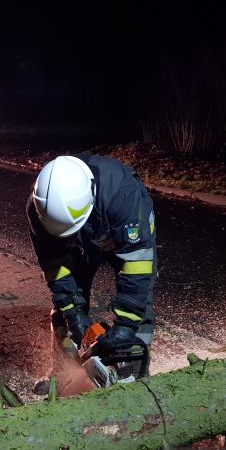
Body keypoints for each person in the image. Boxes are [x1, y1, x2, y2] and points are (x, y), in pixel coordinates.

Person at [27, 155, 157, 378]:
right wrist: (72, 310)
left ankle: (135, 373)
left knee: (139, 306)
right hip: (77, 245)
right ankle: (63, 374)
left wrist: (125, 325)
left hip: (122, 236)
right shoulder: (39, 210)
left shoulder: (123, 194)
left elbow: (137, 266)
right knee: (64, 313)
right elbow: (54, 265)